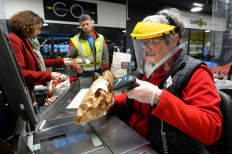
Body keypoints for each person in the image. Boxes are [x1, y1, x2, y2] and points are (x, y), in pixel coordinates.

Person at [110, 8, 222, 154]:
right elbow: (133, 97)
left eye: (153, 41)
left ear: (173, 40)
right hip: (134, 144)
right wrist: (110, 102)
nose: (146, 48)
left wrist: (158, 97)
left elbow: (210, 129)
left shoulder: (196, 72)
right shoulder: (147, 66)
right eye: (144, 42)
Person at [8, 10, 69, 96]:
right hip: (27, 92)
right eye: (38, 28)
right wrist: (48, 75)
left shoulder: (25, 40)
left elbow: (37, 62)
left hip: (34, 90)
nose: (39, 32)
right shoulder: (15, 40)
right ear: (28, 26)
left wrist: (62, 61)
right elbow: (20, 73)